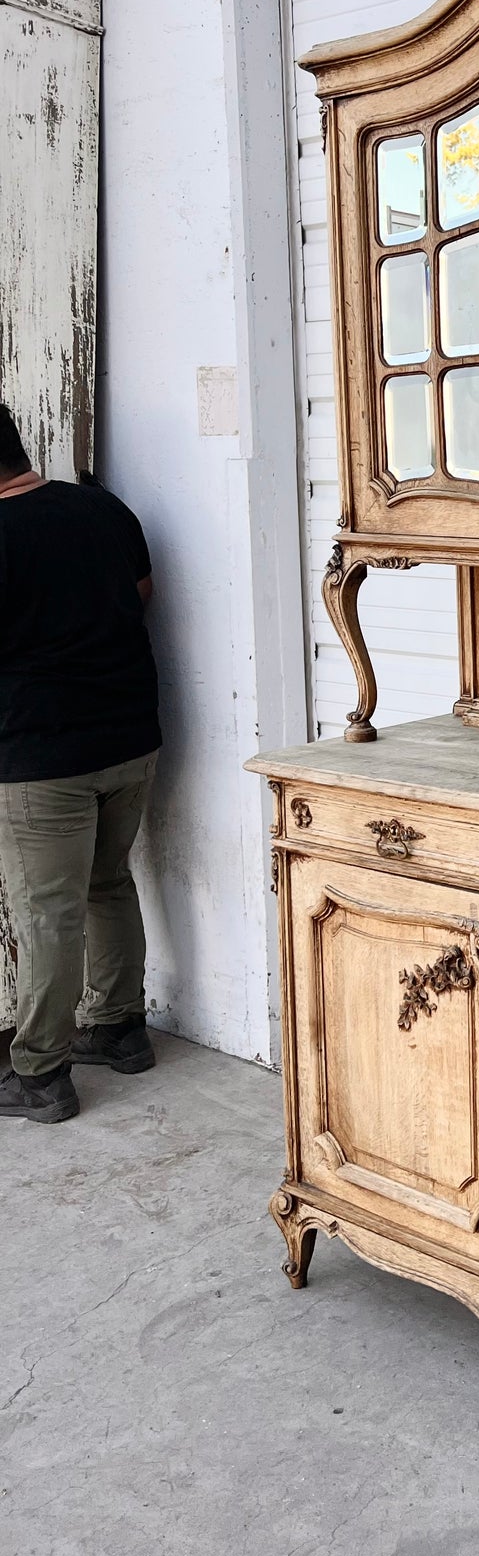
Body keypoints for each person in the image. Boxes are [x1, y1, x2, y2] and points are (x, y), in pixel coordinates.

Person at [0, 403, 162, 1123]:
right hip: (131, 739)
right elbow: (140, 596)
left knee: (47, 913)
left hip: (41, 758)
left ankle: (40, 1072)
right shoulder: (101, 509)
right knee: (108, 880)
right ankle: (121, 1028)